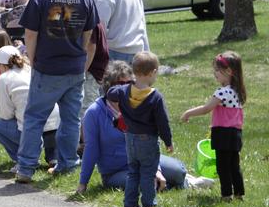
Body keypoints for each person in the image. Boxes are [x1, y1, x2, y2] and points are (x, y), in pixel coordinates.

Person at [14, 0, 97, 184]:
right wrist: (80, 60)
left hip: (47, 68)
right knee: (71, 120)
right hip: (74, 69)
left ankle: (26, 168)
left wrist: (33, 59)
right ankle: (67, 163)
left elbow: (30, 35)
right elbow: (88, 37)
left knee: (34, 118)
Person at [78, 61, 205, 195]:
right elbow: (91, 149)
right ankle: (185, 184)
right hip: (117, 170)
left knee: (179, 171)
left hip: (145, 159)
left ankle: (183, 180)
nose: (127, 88)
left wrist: (156, 169)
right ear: (109, 88)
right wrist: (83, 183)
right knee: (149, 184)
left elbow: (150, 139)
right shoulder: (94, 113)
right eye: (121, 84)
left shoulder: (138, 104)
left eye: (131, 83)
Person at [106, 51, 173, 207]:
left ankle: (129, 204)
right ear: (153, 72)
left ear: (134, 71)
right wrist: (168, 141)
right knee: (148, 173)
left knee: (133, 172)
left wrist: (127, 84)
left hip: (130, 138)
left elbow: (110, 93)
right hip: (147, 140)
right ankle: (149, 204)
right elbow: (163, 122)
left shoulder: (123, 91)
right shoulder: (155, 97)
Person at [181, 51, 246, 201]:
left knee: (222, 167)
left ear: (229, 71)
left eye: (217, 70)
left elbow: (206, 109)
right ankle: (239, 193)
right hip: (236, 134)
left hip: (223, 134)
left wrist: (188, 113)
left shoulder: (222, 92)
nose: (214, 73)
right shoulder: (238, 92)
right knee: (234, 166)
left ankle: (226, 195)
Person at [0, 46, 59, 166]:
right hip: (55, 124)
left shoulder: (4, 78)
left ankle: (24, 159)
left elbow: (5, 115)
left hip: (32, 128)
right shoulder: (32, 69)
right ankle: (53, 157)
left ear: (4, 65)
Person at [73, 0, 109, 117]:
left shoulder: (87, 15)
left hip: (92, 69)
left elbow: (91, 48)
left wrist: (82, 72)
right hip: (95, 68)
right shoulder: (91, 10)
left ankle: (88, 137)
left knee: (87, 106)